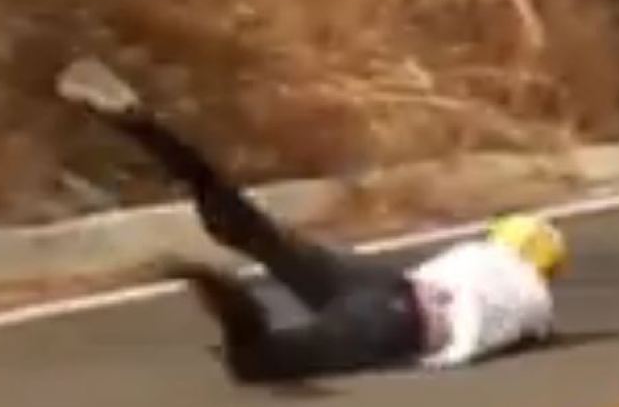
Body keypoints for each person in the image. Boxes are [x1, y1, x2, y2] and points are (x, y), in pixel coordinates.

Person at [56, 58, 563, 383]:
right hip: (399, 324)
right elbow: (531, 331)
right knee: (258, 362)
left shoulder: (479, 255)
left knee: (251, 228)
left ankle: (143, 126)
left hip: (386, 284)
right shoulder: (535, 301)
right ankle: (230, 300)